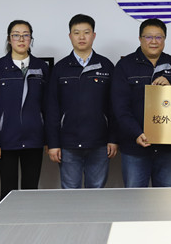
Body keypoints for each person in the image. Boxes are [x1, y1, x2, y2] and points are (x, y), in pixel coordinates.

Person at [111, 18, 171, 187]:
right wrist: (136, 133)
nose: (154, 41)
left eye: (159, 37)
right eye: (148, 37)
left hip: (166, 147)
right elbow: (120, 107)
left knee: (165, 197)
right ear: (140, 38)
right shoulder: (125, 65)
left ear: (164, 39)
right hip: (135, 146)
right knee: (135, 197)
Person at [46, 14, 117, 188]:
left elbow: (114, 106)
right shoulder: (60, 68)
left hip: (99, 144)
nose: (82, 37)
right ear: (70, 36)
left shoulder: (106, 66)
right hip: (68, 144)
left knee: (96, 193)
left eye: (86, 32)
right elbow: (52, 108)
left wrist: (113, 139)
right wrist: (53, 144)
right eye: (76, 33)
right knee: (71, 195)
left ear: (94, 35)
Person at [0, 19, 48, 200]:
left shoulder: (41, 67)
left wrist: (48, 139)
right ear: (9, 39)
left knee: (31, 190)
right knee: (8, 191)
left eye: (26, 35)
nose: (21, 39)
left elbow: (47, 105)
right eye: (16, 35)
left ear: (31, 39)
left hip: (34, 139)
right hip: (6, 141)